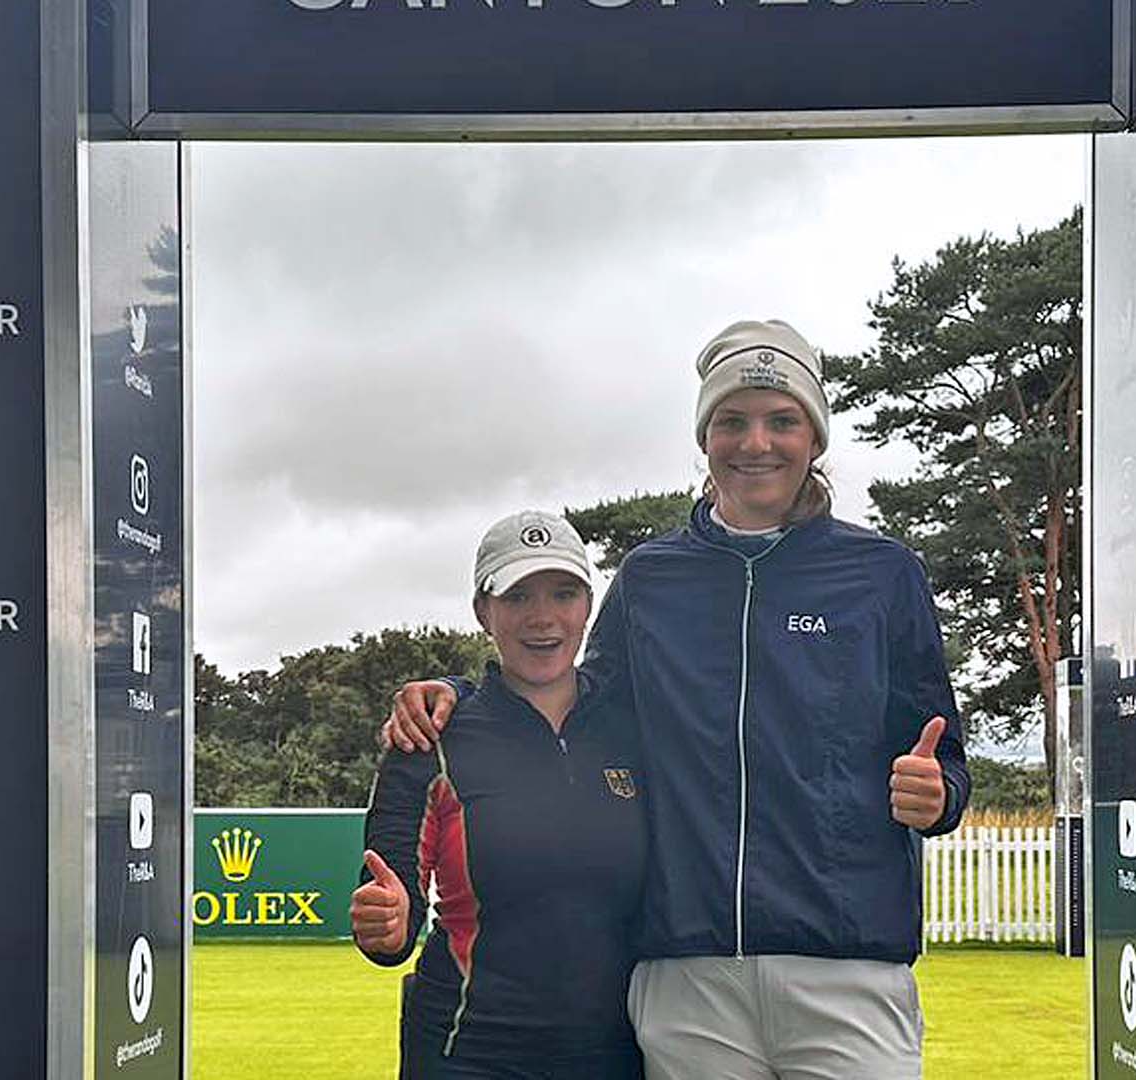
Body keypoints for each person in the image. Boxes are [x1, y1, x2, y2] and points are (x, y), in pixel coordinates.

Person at [387, 319, 970, 1079]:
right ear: (705, 439)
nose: (755, 442)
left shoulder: (884, 574)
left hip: (846, 967)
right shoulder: (651, 578)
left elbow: (945, 758)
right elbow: (576, 701)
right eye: (732, 421)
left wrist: (940, 794)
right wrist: (461, 695)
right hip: (688, 978)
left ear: (814, 438)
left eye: (781, 420)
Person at [352, 510, 647, 1080]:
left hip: (616, 1051)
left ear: (589, 606)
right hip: (467, 1050)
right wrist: (385, 924)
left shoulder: (637, 726)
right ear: (483, 612)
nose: (543, 618)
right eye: (516, 598)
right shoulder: (429, 738)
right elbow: (393, 912)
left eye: (563, 593)